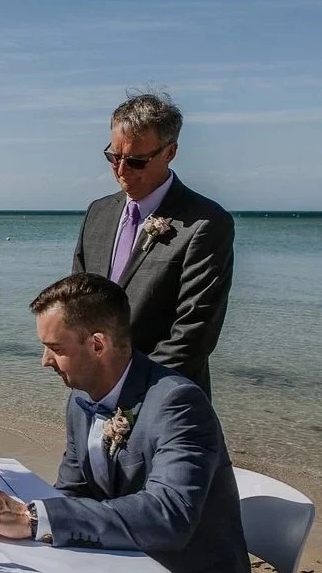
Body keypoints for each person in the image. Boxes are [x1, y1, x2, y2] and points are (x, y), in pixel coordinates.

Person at [0, 273, 250, 573]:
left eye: (54, 348)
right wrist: (35, 522)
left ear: (98, 344)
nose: (44, 360)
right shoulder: (81, 401)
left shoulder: (178, 403)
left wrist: (31, 515)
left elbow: (170, 515)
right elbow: (73, 492)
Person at [72, 91, 234, 398]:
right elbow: (76, 304)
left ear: (169, 152)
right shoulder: (98, 212)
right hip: (91, 393)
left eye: (135, 161)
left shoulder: (207, 223)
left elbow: (193, 334)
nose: (121, 171)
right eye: (114, 157)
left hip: (165, 398)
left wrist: (127, 389)